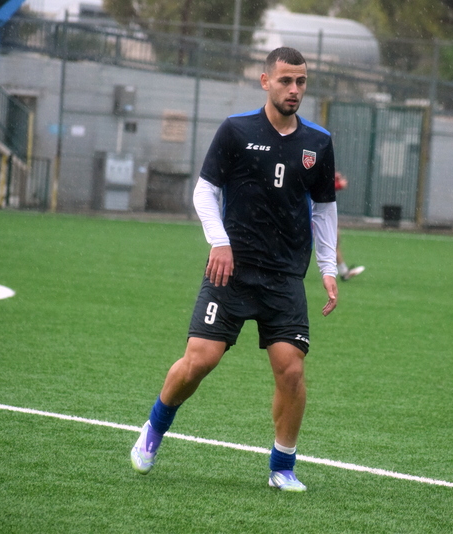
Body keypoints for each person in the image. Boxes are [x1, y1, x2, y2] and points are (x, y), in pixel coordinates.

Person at [131, 47, 338, 492]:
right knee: (198, 362)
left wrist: (328, 267)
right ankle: (154, 426)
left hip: (284, 276)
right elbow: (204, 191)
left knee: (291, 371)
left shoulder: (319, 142)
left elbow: (324, 209)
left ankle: (282, 467)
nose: (294, 89)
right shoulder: (236, 130)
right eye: (285, 80)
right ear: (265, 81)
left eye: (301, 81)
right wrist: (219, 242)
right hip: (231, 271)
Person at [334, 171, 365, 281]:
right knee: (332, 243)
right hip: (317, 215)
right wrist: (337, 185)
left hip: (322, 214)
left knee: (334, 243)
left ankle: (343, 271)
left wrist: (335, 178)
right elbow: (319, 187)